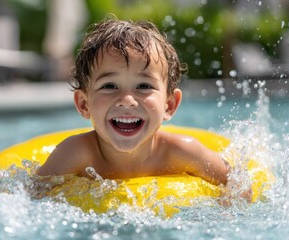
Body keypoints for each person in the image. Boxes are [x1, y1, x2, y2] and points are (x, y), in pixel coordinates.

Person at [36, 16, 251, 201]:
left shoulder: (183, 152)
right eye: (109, 86)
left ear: (169, 105)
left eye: (144, 86)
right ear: (84, 104)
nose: (127, 99)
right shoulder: (75, 153)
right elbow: (30, 195)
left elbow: (238, 185)